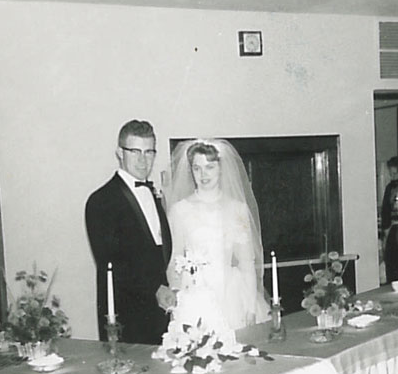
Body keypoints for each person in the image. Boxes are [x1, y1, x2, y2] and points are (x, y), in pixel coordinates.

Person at [165, 139, 270, 330]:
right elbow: (175, 259)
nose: (203, 174)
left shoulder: (237, 209)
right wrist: (177, 300)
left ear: (220, 168)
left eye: (210, 167)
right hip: (194, 294)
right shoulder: (180, 210)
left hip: (231, 295)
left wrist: (250, 308)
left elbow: (246, 262)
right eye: (197, 168)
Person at [85, 119, 173, 344]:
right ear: (120, 153)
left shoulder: (153, 194)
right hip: (126, 316)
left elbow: (159, 251)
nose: (143, 160)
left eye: (149, 152)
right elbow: (111, 262)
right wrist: (155, 289)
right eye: (135, 152)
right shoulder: (101, 200)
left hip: (160, 313)